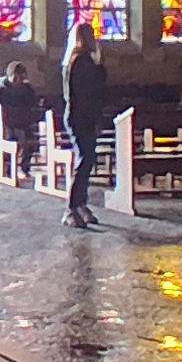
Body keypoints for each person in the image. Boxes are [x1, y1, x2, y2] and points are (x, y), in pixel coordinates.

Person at [61, 21, 108, 229]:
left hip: (85, 116)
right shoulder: (79, 61)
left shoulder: (83, 61)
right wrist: (101, 65)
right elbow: (85, 92)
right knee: (84, 158)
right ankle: (71, 208)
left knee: (88, 159)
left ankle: (81, 204)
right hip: (79, 116)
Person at [0, 60, 45, 184]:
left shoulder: (27, 89)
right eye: (15, 77)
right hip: (3, 123)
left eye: (20, 77)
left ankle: (24, 167)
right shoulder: (2, 89)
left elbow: (31, 104)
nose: (17, 80)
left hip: (22, 122)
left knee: (31, 141)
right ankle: (8, 168)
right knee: (11, 139)